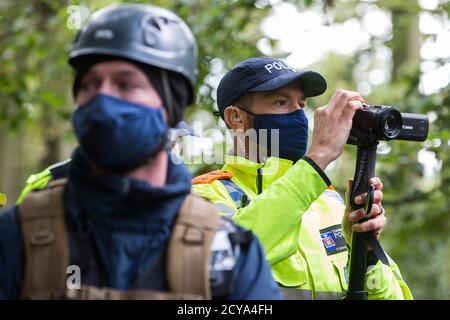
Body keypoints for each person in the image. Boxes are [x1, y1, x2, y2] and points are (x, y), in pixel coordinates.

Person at [0, 5, 280, 300]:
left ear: (169, 107)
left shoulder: (228, 251)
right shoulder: (18, 234)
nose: (103, 99)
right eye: (89, 84)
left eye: (125, 84)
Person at [192, 57, 413, 300]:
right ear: (236, 118)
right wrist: (319, 156)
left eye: (301, 104)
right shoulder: (203, 197)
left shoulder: (329, 200)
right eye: (281, 102)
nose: (298, 115)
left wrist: (365, 252)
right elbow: (223, 262)